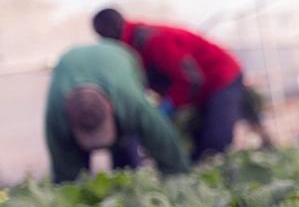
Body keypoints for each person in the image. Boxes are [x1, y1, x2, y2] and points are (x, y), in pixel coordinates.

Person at [91, 8, 245, 162]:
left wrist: (170, 105)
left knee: (216, 141)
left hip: (222, 77)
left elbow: (191, 79)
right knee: (196, 142)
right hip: (199, 88)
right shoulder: (131, 47)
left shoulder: (153, 40)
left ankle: (224, 176)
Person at [45, 43, 190, 183]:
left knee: (125, 156)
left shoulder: (132, 102)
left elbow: (169, 152)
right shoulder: (55, 117)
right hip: (69, 62)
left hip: (119, 54)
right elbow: (64, 177)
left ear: (111, 106)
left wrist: (177, 180)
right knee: (76, 168)